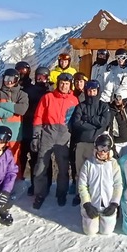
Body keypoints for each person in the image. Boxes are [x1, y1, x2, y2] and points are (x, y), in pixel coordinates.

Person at [31, 72, 79, 209]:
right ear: (58, 84)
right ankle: (40, 193)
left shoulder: (74, 100)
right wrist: (36, 135)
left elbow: (76, 120)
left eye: (67, 84)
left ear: (70, 85)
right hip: (48, 133)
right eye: (62, 83)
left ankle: (61, 193)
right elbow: (38, 116)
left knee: (63, 168)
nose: (64, 86)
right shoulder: (48, 97)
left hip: (64, 136)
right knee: (41, 166)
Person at [70, 79, 111, 206]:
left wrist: (88, 119)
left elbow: (104, 122)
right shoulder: (80, 106)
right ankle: (79, 194)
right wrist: (94, 125)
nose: (91, 93)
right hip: (82, 143)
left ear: (98, 91)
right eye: (89, 91)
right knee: (80, 171)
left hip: (98, 145)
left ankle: (95, 194)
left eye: (93, 91)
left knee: (97, 172)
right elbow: (77, 123)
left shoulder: (103, 106)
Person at [0, 68, 29, 184]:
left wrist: (1, 105)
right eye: (6, 78)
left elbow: (22, 109)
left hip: (14, 133)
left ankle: (13, 183)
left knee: (13, 159)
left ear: (17, 80)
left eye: (12, 79)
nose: (9, 81)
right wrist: (8, 112)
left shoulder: (22, 94)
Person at [78, 133, 123, 236]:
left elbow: (118, 185)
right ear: (96, 147)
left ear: (109, 149)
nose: (102, 152)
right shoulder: (89, 164)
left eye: (106, 149)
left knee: (106, 231)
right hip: (92, 204)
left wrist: (114, 204)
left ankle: (108, 217)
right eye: (100, 148)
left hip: (107, 204)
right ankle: (88, 216)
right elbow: (82, 185)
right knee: (90, 231)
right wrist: (87, 204)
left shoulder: (113, 164)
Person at [21, 66, 52, 196]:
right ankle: (34, 184)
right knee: (33, 158)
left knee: (45, 159)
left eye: (44, 77)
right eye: (39, 77)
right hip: (30, 127)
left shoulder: (51, 92)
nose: (41, 79)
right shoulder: (30, 90)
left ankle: (47, 184)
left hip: (47, 129)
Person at [107, 89, 127, 158]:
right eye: (115, 97)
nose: (116, 100)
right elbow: (110, 130)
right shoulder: (111, 111)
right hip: (117, 143)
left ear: (125, 99)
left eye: (119, 98)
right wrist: (112, 147)